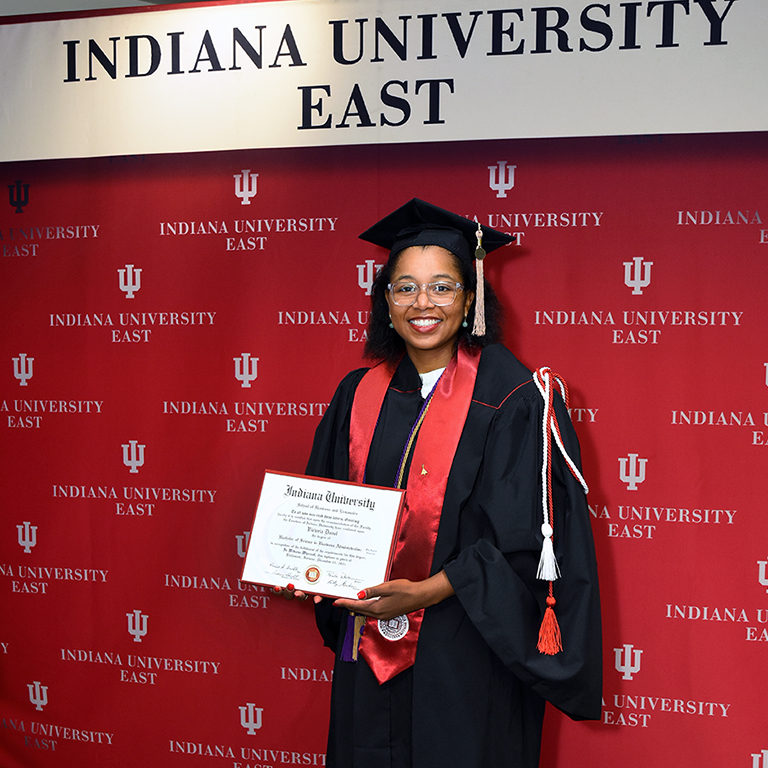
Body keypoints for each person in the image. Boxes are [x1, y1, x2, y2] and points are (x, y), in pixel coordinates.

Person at [278, 199, 601, 768]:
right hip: (369, 639)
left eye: (441, 288)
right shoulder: (357, 394)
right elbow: (324, 508)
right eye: (404, 288)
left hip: (468, 650)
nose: (421, 304)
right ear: (385, 301)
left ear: (471, 297)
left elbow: (526, 547)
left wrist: (426, 592)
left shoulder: (515, 398)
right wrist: (305, 567)